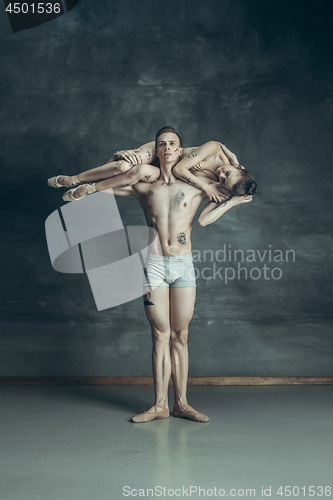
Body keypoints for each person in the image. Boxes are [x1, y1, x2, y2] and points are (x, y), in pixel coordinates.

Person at [104, 127, 253, 423]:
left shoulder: (205, 183)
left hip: (184, 266)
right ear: (159, 151)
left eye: (173, 146)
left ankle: (181, 404)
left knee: (180, 335)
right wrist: (117, 159)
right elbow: (110, 182)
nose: (169, 150)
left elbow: (207, 217)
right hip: (155, 265)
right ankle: (159, 405)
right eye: (163, 146)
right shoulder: (147, 183)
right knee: (159, 334)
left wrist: (233, 200)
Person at [47, 136, 255, 204]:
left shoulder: (224, 184)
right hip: (162, 154)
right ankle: (74, 179)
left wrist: (235, 200)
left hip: (164, 172)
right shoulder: (215, 148)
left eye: (222, 179)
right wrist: (206, 186)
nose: (220, 174)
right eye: (226, 172)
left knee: (134, 175)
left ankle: (90, 188)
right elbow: (182, 168)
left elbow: (230, 196)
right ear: (239, 166)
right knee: (123, 166)